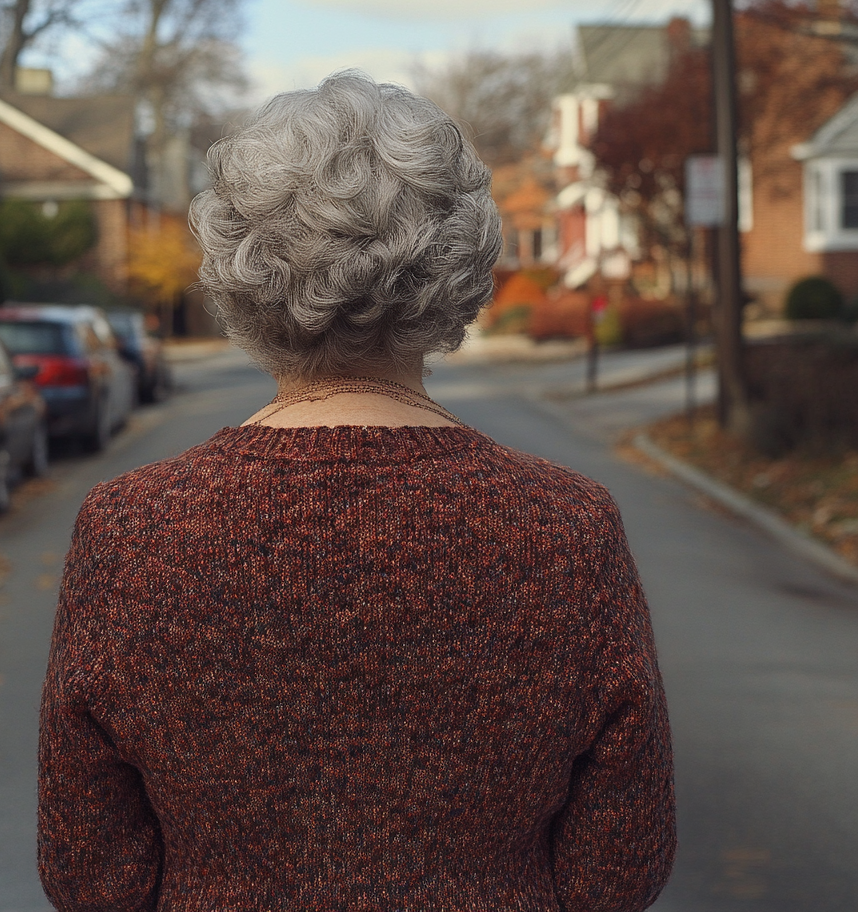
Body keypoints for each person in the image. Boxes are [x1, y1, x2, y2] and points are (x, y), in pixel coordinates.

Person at [38, 70, 676, 912]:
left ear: (238, 273)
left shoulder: (132, 531)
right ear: (461, 266)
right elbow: (618, 870)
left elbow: (89, 873)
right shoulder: (566, 528)